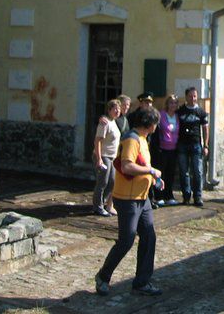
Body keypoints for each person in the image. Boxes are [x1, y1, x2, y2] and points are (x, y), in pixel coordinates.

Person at [94, 107, 163, 297]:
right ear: (149, 124)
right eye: (156, 122)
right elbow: (127, 166)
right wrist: (151, 172)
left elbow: (142, 165)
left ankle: (142, 282)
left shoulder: (142, 138)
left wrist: (154, 177)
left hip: (142, 199)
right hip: (128, 200)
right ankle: (103, 276)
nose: (157, 125)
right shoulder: (132, 139)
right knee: (126, 240)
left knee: (149, 237)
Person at [177, 87, 209, 207]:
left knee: (197, 171)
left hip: (196, 145)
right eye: (190, 96)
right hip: (182, 145)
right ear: (186, 97)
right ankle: (186, 196)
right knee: (184, 172)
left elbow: (206, 130)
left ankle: (198, 196)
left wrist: (206, 145)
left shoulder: (201, 112)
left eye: (195, 96)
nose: (193, 98)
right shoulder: (180, 111)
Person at [92, 99, 121, 217]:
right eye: (115, 109)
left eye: (118, 109)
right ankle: (97, 207)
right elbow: (98, 141)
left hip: (113, 157)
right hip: (104, 155)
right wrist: (99, 159)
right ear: (109, 110)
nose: (117, 111)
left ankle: (102, 202)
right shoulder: (104, 123)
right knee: (102, 181)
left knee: (113, 181)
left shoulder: (114, 122)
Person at [155, 94, 180, 206]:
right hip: (163, 149)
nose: (173, 105)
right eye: (171, 103)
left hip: (173, 149)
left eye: (175, 103)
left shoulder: (177, 116)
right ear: (167, 104)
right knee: (161, 174)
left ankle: (169, 195)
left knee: (170, 173)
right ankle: (159, 196)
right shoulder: (162, 115)